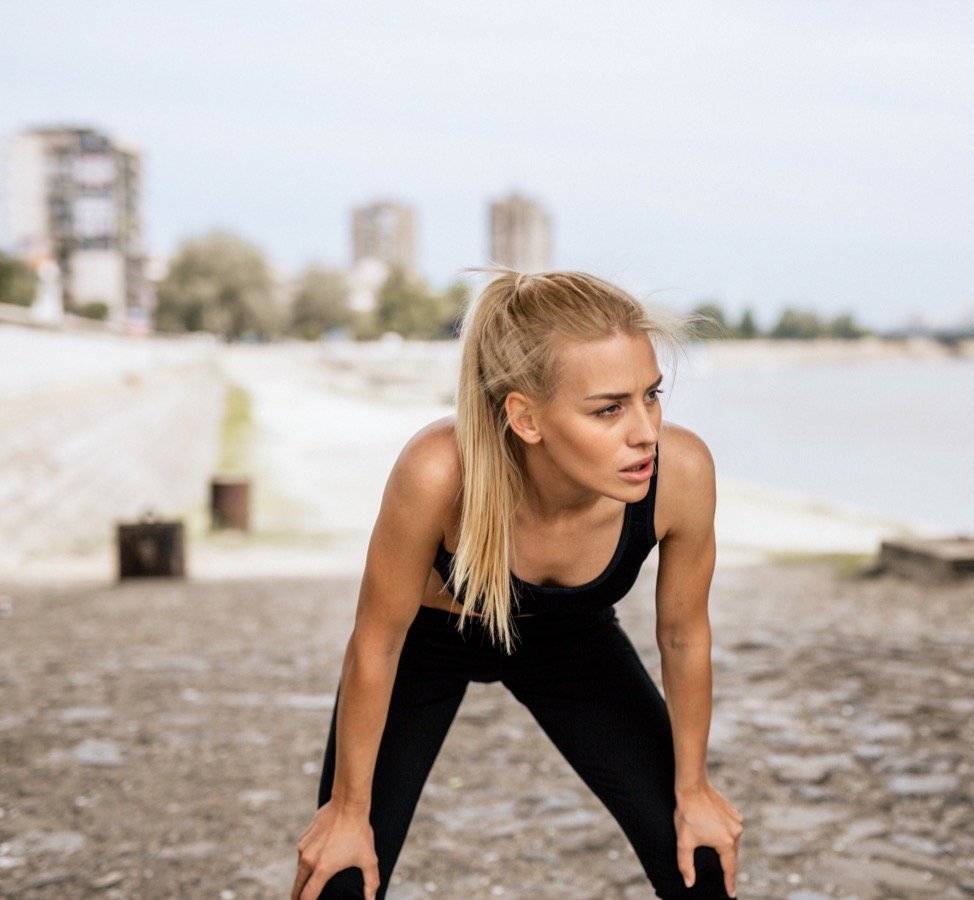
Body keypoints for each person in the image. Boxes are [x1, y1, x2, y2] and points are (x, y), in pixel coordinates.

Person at [291, 270, 742, 899]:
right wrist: (346, 809)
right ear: (525, 418)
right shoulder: (438, 472)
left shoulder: (682, 474)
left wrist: (693, 789)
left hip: (573, 646)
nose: (644, 432)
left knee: (701, 863)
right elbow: (377, 642)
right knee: (337, 878)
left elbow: (683, 634)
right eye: (609, 408)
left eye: (652, 395)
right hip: (428, 644)